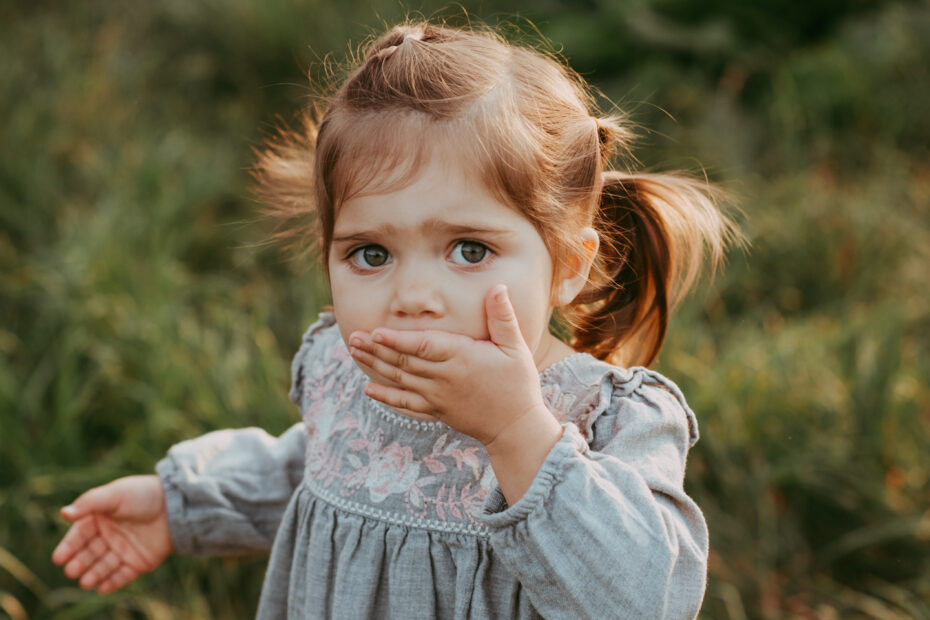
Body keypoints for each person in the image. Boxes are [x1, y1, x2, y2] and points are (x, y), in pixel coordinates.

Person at [52, 20, 735, 619]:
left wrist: (516, 432)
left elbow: (649, 597)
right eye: (370, 253)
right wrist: (183, 503)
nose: (413, 295)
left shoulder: (605, 417)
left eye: (470, 250)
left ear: (567, 265)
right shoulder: (348, 371)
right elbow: (318, 467)